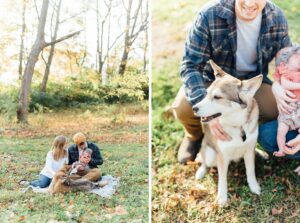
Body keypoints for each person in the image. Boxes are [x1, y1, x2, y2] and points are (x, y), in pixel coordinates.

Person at [171, 0, 293, 164]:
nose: (250, 3)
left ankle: (244, 140)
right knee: (183, 107)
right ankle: (193, 137)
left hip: (249, 82)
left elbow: (287, 62)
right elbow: (191, 65)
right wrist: (208, 111)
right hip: (214, 81)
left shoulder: (276, 18)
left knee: (278, 105)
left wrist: (279, 84)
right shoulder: (210, 14)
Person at [272, 46, 300, 157]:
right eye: (296, 57)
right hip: (289, 110)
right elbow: (286, 84)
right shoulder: (286, 73)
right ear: (285, 64)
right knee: (281, 130)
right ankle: (281, 150)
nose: (299, 58)